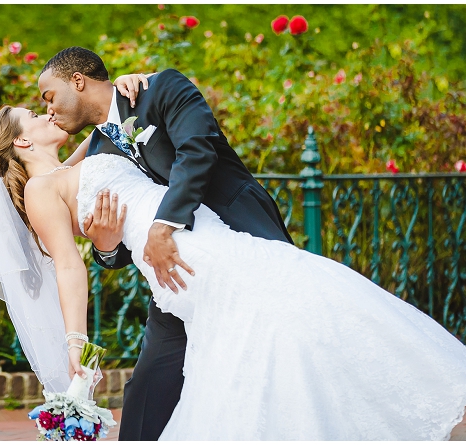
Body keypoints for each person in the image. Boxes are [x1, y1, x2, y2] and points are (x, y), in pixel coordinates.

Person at [0, 104, 466, 439]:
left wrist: (128, 86)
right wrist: (75, 344)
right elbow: (68, 264)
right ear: (20, 142)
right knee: (287, 297)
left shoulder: (75, 163)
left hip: (208, 236)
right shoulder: (42, 191)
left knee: (265, 330)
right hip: (187, 260)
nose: (45, 113)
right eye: (33, 116)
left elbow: (112, 119)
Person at [36, 46, 293, 440]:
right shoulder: (99, 149)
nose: (48, 109)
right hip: (175, 275)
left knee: (269, 358)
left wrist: (163, 226)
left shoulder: (160, 88)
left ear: (77, 80)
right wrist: (105, 247)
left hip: (239, 236)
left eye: (48, 96)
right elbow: (117, 229)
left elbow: (197, 150)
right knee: (147, 391)